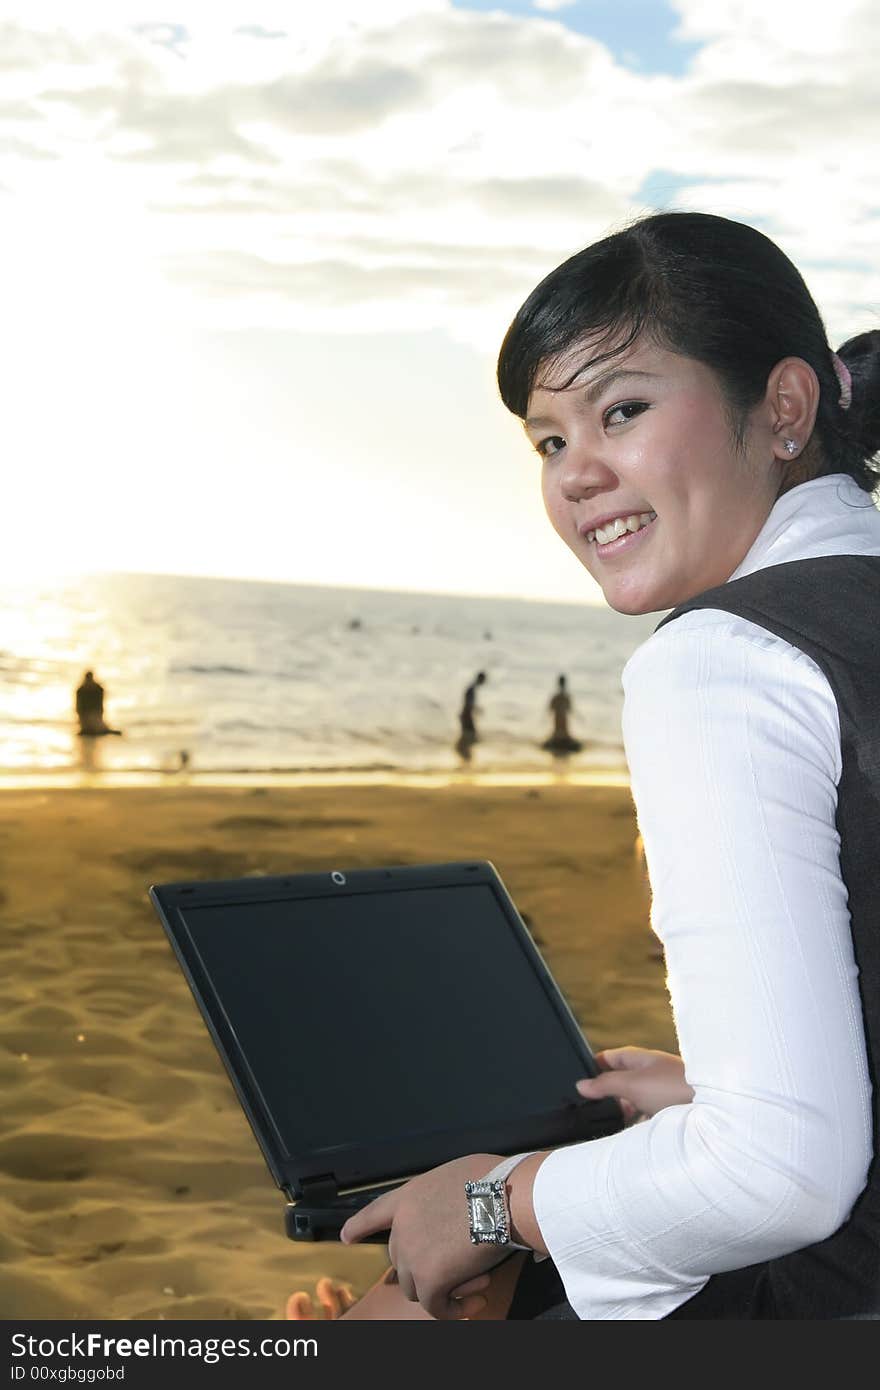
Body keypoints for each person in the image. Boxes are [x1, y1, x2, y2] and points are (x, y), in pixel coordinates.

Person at [287, 211, 880, 1320]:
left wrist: (489, 1204)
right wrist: (717, 1091)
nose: (575, 475)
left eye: (623, 410)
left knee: (397, 1310)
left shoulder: (724, 662)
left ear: (787, 406)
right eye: (549, 441)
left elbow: (781, 1175)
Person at [542, 674, 582, 754]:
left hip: (559, 731)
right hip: (561, 730)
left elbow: (550, 711)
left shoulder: (557, 697)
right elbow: (570, 710)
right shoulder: (565, 697)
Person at [75, 670, 122, 737]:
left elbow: (100, 704)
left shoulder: (97, 689)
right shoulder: (81, 690)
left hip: (95, 714)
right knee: (91, 728)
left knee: (95, 728)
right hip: (85, 715)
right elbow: (78, 707)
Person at [455, 670, 486, 757]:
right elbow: (468, 704)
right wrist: (474, 710)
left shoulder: (472, 688)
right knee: (470, 737)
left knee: (469, 737)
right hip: (466, 715)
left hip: (466, 715)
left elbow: (469, 704)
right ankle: (465, 757)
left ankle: (466, 757)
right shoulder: (471, 689)